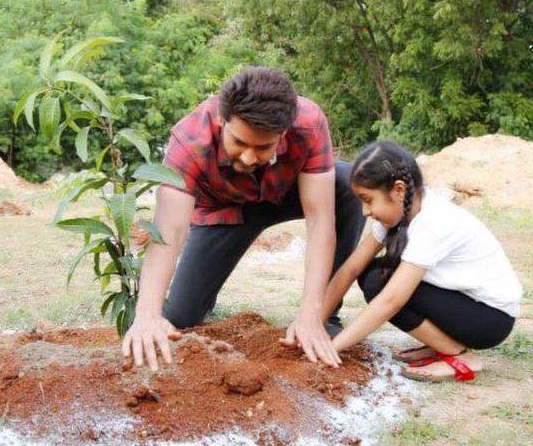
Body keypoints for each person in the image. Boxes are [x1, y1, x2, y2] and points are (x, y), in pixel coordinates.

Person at [122, 67, 365, 370]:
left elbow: (320, 222)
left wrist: (311, 312)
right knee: (181, 316)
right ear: (223, 120)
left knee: (349, 185)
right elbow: (168, 231)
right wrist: (146, 314)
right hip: (226, 210)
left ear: (284, 132)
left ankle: (325, 316)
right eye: (239, 143)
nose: (249, 157)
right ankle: (199, 294)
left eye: (263, 147)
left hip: (286, 193)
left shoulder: (309, 123)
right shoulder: (190, 141)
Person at [321, 140, 523, 382]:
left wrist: (333, 348)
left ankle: (461, 355)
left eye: (368, 200)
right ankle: (443, 343)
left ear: (398, 190)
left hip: (490, 319)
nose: (364, 211)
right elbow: (351, 268)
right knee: (372, 273)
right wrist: (313, 323)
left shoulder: (433, 222)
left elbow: (391, 301)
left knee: (380, 283)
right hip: (464, 304)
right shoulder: (399, 214)